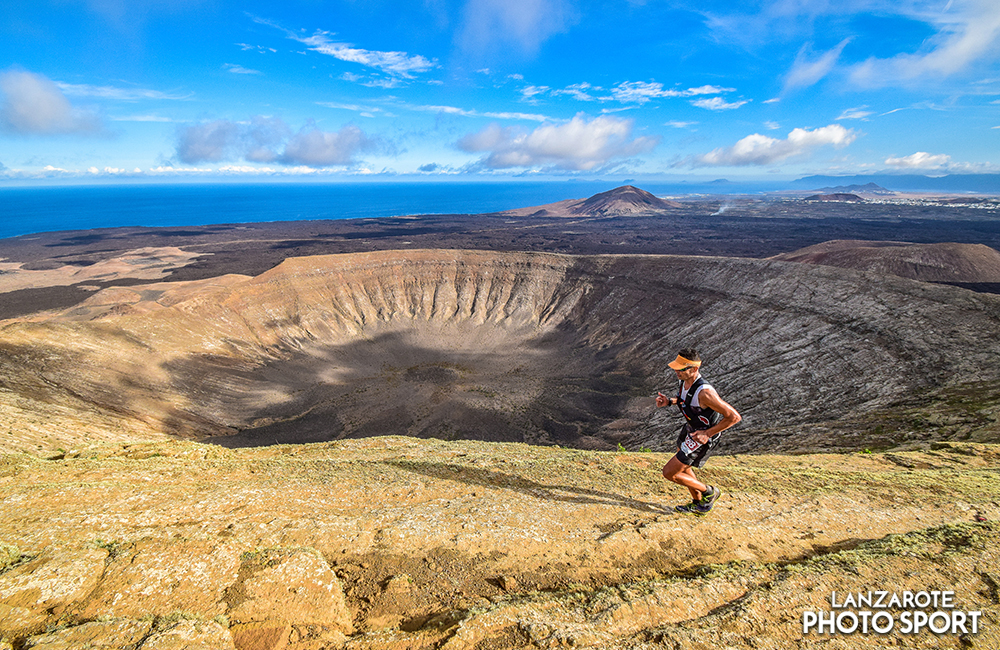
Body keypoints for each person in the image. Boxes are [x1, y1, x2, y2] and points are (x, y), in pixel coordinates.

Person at [655, 348, 741, 515]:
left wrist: (707, 434)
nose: (676, 371)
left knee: (670, 473)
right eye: (676, 367)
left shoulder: (705, 393)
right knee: (685, 469)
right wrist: (669, 401)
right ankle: (698, 502)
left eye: (681, 368)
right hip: (690, 431)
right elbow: (684, 400)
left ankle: (709, 492)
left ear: (694, 369)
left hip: (701, 437)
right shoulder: (685, 382)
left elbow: (734, 417)